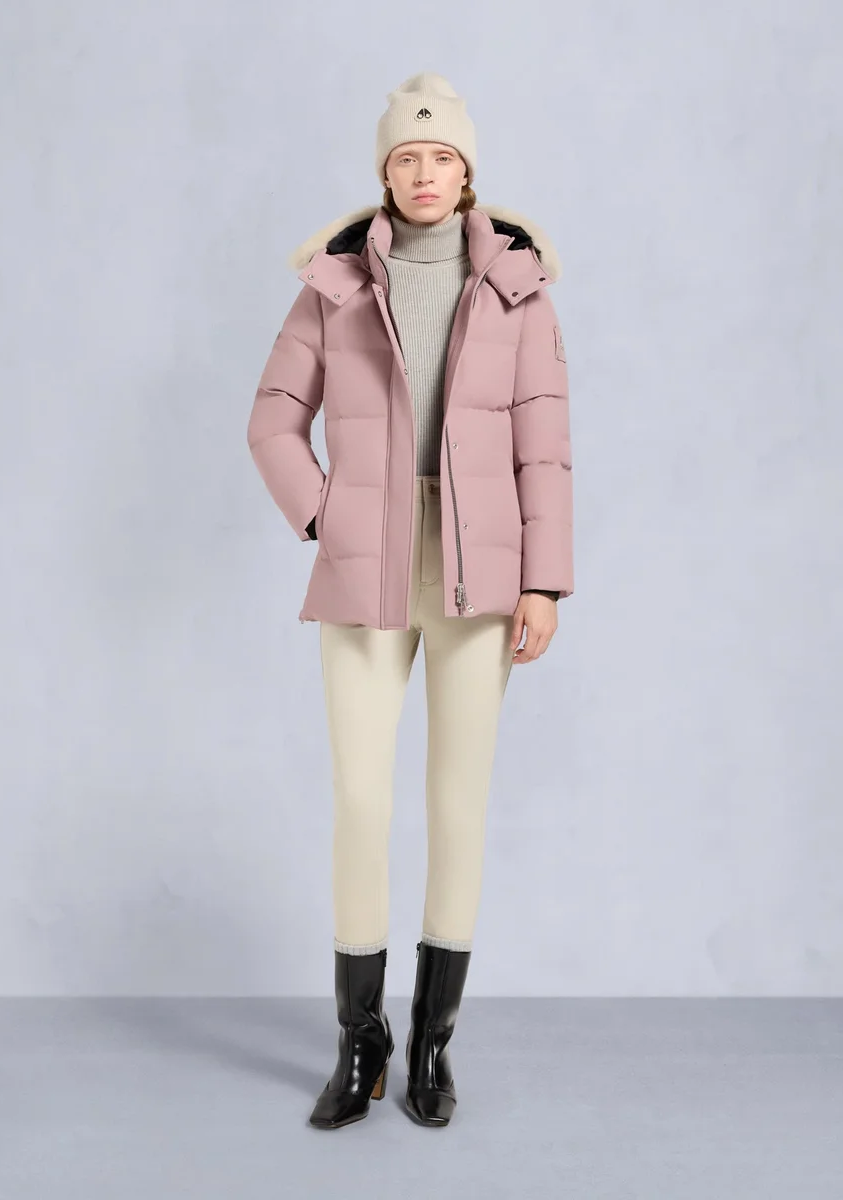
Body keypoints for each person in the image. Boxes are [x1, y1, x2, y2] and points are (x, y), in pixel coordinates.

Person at [247, 71, 573, 1130]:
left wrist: (541, 580)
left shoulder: (518, 288)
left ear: (466, 171)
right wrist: (324, 515)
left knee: (457, 803)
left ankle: (431, 1043)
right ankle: (361, 1042)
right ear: (383, 172)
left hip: (483, 576)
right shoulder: (334, 285)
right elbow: (271, 420)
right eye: (405, 157)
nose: (423, 172)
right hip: (366, 566)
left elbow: (544, 449)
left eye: (441, 156)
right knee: (359, 799)